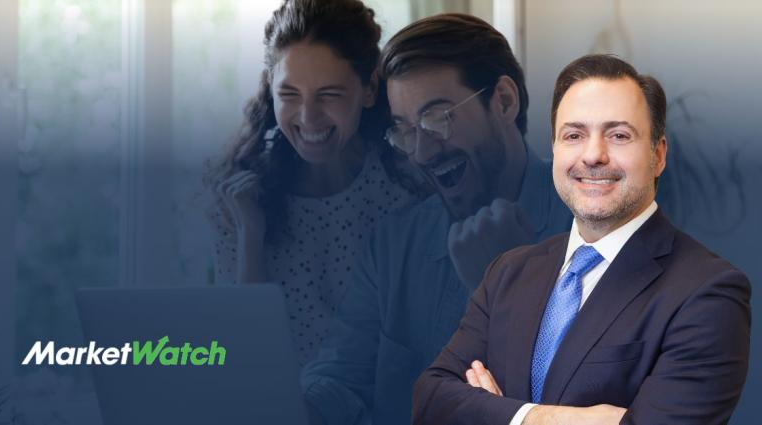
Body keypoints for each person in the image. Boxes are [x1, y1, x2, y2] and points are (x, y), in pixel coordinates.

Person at [412, 54, 751, 425]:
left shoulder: (708, 293)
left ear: (658, 155)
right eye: (574, 135)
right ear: (554, 150)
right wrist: (540, 419)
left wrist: (491, 412)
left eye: (619, 135)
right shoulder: (507, 272)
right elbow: (432, 400)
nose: (593, 155)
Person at [301, 14, 572, 425]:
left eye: (436, 118)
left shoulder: (590, 224)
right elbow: (341, 380)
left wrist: (504, 285)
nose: (422, 152)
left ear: (503, 101)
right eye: (405, 130)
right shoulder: (393, 245)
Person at [206, 0, 419, 365]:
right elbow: (245, 353)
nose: (308, 117)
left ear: (369, 89)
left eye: (329, 94)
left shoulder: (408, 191)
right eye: (289, 95)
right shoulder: (243, 201)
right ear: (270, 88)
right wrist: (250, 238)